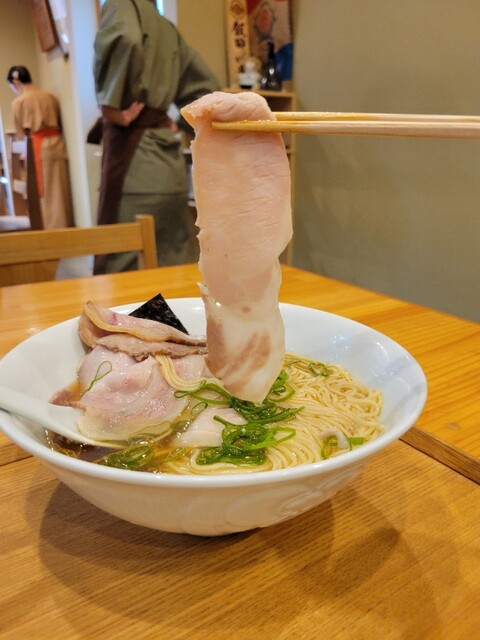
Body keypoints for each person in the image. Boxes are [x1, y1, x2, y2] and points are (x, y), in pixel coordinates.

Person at [93, 0, 220, 274]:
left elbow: (126, 37)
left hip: (136, 167)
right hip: (169, 168)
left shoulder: (120, 5)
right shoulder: (167, 29)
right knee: (173, 268)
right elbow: (209, 89)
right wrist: (174, 120)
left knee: (127, 272)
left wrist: (110, 103)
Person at [6, 65, 73, 229]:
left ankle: (51, 229)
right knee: (60, 191)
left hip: (37, 148)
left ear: (15, 82)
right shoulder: (50, 97)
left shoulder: (19, 102)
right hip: (57, 144)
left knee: (45, 195)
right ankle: (65, 226)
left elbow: (20, 134)